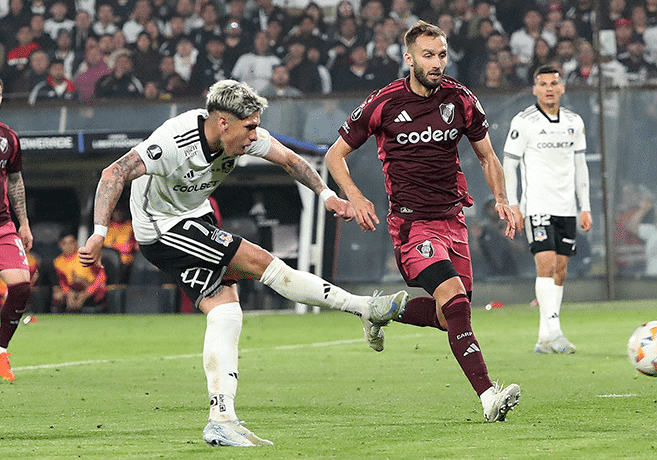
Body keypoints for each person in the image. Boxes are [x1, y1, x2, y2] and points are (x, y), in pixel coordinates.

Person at [77, 79, 408, 446]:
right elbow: (114, 173)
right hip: (161, 229)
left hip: (193, 217)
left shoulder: (245, 134)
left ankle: (221, 419)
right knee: (262, 262)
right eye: (249, 126)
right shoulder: (174, 142)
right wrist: (98, 232)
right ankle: (363, 307)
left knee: (226, 312)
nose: (254, 135)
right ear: (222, 122)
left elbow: (290, 160)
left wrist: (327, 194)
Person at [324, 21, 520, 423]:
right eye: (428, 56)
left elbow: (487, 156)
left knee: (451, 314)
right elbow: (333, 156)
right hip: (412, 226)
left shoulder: (461, 98)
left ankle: (378, 311)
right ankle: (488, 397)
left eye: (442, 55)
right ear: (409, 58)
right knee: (455, 297)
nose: (437, 63)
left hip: (454, 221)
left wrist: (501, 198)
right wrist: (356, 197)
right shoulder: (384, 102)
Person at [502, 65, 591, 355]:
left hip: (566, 207)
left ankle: (543, 337)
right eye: (543, 83)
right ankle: (555, 330)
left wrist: (585, 207)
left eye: (554, 83)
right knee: (547, 265)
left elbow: (580, 167)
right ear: (535, 89)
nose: (549, 88)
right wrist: (513, 204)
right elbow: (510, 163)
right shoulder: (524, 121)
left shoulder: (574, 122)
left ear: (562, 87)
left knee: (561, 271)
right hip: (538, 205)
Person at [0, 78, 33, 382]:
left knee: (21, 285)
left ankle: (0, 352)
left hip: (3, 225)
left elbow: (15, 181)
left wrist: (23, 222)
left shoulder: (8, 138)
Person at [52, 231, 107, 313]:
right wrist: (68, 292)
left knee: (81, 281)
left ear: (76, 243)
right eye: (65, 243)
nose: (68, 246)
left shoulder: (85, 255)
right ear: (60, 245)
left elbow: (102, 276)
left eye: (71, 243)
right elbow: (61, 282)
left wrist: (88, 292)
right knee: (58, 295)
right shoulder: (57, 262)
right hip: (71, 290)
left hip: (90, 287)